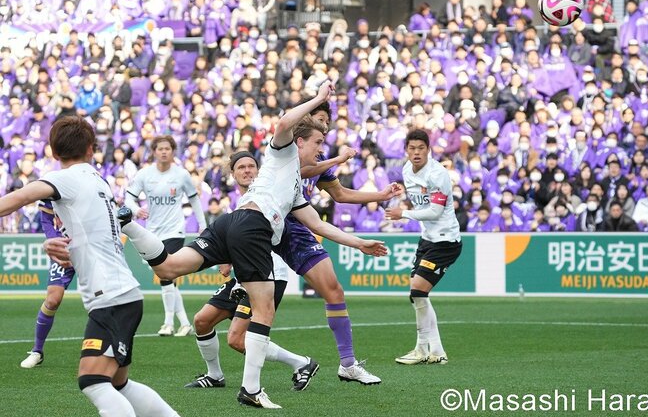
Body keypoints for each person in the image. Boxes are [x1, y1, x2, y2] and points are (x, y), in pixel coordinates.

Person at [117, 81, 387, 409]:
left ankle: (128, 222)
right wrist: (318, 98)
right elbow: (284, 123)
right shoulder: (282, 150)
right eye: (318, 141)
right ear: (300, 141)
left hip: (230, 223)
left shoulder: (295, 192)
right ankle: (251, 389)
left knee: (168, 266)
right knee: (265, 309)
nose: (321, 149)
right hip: (253, 229)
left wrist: (359, 243)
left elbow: (318, 225)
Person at [0, 116, 179, 416]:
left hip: (111, 296)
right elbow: (89, 228)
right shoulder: (98, 180)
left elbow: (13, 201)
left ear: (54, 154)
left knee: (93, 381)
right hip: (122, 293)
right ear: (90, 149)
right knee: (119, 384)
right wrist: (54, 242)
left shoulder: (64, 179)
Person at [282, 101, 402, 385]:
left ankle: (347, 363)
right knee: (250, 309)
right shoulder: (286, 148)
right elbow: (303, 168)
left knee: (334, 291)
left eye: (326, 121)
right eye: (317, 119)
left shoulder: (320, 158)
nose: (323, 124)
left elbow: (341, 194)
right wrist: (338, 159)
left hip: (298, 227)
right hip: (266, 225)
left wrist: (379, 196)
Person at [185, 151, 318, 392]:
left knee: (236, 339)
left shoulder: (272, 195)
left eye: (251, 166)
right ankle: (215, 375)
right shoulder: (240, 204)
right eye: (241, 167)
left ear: (259, 172)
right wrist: (226, 258)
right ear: (233, 174)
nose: (247, 170)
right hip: (244, 275)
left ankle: (302, 363)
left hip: (267, 274)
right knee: (202, 321)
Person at [385, 129, 462, 365]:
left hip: (446, 240)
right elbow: (421, 199)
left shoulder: (438, 174)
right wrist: (402, 194)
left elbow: (435, 210)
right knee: (419, 296)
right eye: (412, 148)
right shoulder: (407, 170)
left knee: (418, 291)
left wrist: (403, 213)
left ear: (428, 150)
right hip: (427, 239)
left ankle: (421, 349)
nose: (416, 152)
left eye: (421, 148)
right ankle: (436, 351)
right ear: (406, 150)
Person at [124, 136, 208, 337]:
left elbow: (195, 200)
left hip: (175, 231)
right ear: (154, 151)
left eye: (167, 148)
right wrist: (136, 210)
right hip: (153, 232)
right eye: (160, 148)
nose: (163, 152)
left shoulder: (181, 175)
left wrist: (203, 225)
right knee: (167, 277)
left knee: (165, 275)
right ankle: (185, 323)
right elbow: (129, 197)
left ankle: (168, 323)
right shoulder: (145, 174)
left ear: (172, 151)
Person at [20, 200, 76, 368]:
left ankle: (112, 346)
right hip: (65, 248)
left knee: (103, 297)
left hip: (92, 248)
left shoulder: (95, 182)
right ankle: (37, 351)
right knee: (52, 299)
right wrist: (55, 242)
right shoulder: (53, 186)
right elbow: (46, 218)